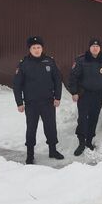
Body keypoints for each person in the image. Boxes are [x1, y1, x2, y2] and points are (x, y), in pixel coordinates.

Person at [13, 36, 64, 164]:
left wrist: (57, 97)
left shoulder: (50, 62)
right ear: (29, 49)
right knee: (31, 129)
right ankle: (30, 154)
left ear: (42, 48)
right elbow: (17, 85)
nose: (36, 50)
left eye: (39, 47)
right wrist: (19, 102)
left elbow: (58, 80)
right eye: (34, 48)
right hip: (31, 103)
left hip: (48, 102)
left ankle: (53, 150)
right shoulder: (24, 64)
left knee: (51, 127)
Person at [68, 38, 102, 156]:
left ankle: (89, 141)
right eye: (93, 46)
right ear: (89, 47)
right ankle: (81, 143)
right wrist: (74, 92)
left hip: (98, 96)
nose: (95, 48)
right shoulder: (81, 60)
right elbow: (73, 77)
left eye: (97, 46)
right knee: (83, 119)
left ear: (100, 48)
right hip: (84, 95)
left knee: (94, 119)